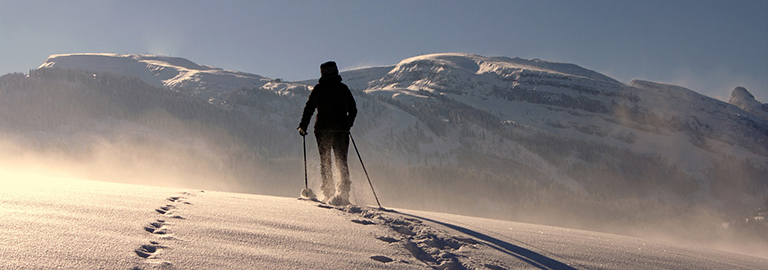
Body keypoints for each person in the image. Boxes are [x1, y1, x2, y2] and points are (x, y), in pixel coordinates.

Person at [298, 61, 357, 206]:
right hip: (341, 131)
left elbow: (309, 108)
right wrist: (347, 124)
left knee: (325, 161)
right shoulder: (343, 88)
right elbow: (353, 109)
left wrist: (303, 126)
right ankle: (343, 194)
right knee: (341, 161)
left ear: (322, 72)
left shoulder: (319, 89)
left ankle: (329, 193)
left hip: (322, 130)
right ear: (336, 71)